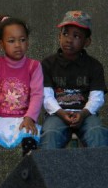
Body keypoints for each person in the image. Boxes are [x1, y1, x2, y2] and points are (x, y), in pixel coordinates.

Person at [0, 15, 43, 188]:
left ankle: (27, 182)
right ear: (1, 44)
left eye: (22, 40)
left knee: (30, 139)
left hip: (23, 117)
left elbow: (38, 94)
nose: (18, 45)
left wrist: (30, 117)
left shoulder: (34, 66)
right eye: (12, 41)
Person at [40, 10, 108, 149]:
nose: (69, 39)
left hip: (86, 114)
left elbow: (97, 97)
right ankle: (50, 171)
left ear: (87, 42)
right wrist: (61, 113)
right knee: (50, 134)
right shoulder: (47, 64)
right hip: (57, 114)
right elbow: (46, 96)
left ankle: (98, 171)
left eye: (76, 36)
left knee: (97, 133)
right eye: (65, 34)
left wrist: (83, 114)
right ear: (59, 37)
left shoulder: (94, 66)